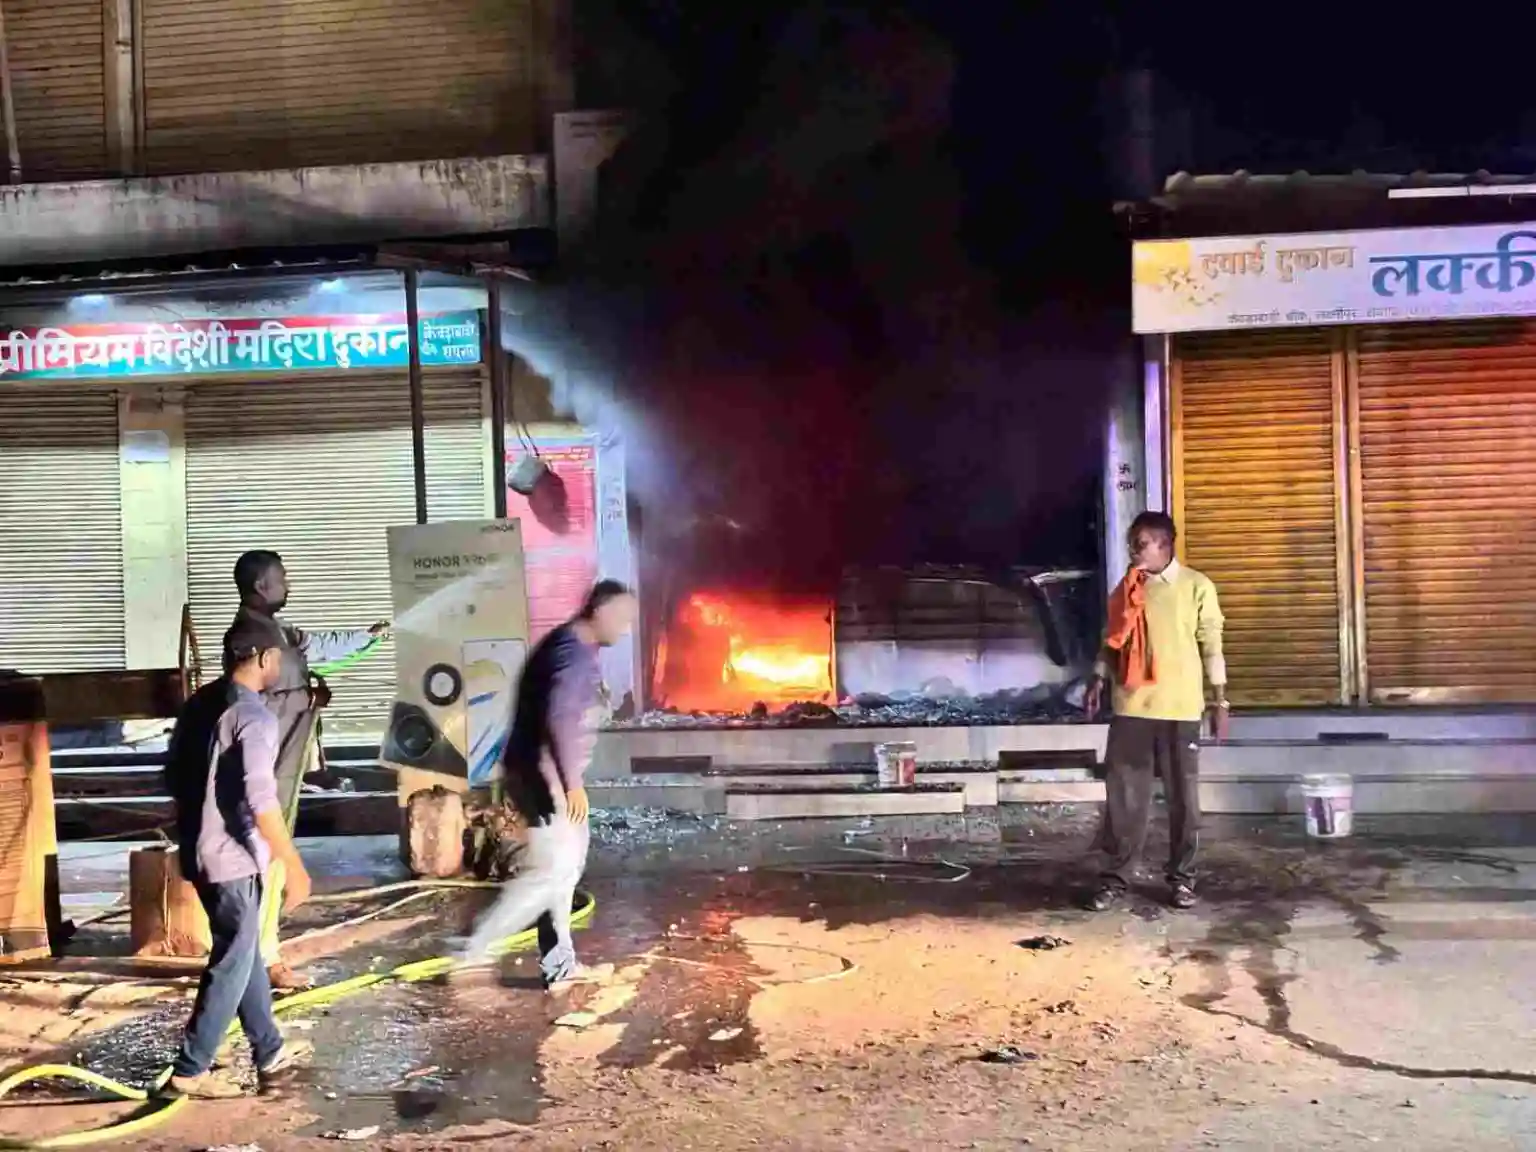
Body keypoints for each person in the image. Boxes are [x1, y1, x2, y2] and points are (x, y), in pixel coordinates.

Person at [160, 615, 315, 1099]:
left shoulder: (201, 703)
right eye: (279, 659)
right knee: (232, 960)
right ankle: (190, 1069)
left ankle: (270, 1050)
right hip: (233, 859)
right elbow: (262, 800)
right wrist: (293, 865)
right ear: (265, 659)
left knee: (243, 952)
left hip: (199, 850)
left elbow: (171, 774)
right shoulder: (254, 717)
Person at [458, 579, 637, 985]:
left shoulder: (569, 645)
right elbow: (560, 718)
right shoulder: (572, 654)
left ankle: (560, 963)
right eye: (623, 619)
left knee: (565, 870)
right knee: (550, 874)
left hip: (544, 773)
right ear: (602, 611)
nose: (626, 630)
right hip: (545, 778)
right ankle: (473, 951)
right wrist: (572, 783)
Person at [224, 549, 389, 991]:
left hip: (283, 769)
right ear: (261, 585)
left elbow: (318, 647)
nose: (288, 584)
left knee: (271, 861)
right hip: (264, 771)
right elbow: (253, 699)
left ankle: (260, 955)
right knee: (265, 860)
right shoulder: (248, 638)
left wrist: (365, 637)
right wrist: (304, 697)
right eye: (283, 578)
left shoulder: (277, 632)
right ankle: (259, 959)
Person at [1083, 510, 1228, 912]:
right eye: (1132, 543)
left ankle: (1182, 879)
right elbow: (1111, 640)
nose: (1134, 550)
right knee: (1124, 802)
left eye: (1141, 543)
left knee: (1185, 803)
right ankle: (1115, 879)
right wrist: (1097, 678)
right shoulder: (1128, 588)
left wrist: (1219, 700)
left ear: (1165, 544)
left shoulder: (1196, 586)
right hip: (1131, 707)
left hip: (1180, 709)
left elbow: (1212, 645)